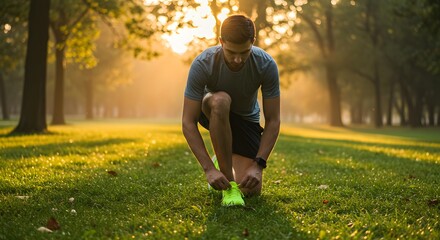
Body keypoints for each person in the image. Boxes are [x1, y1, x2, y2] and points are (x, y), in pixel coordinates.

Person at [182, 14, 280, 206]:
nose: (237, 59)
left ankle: (222, 156)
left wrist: (259, 165)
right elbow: (188, 122)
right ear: (221, 42)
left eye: (244, 52)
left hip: (246, 120)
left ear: (253, 41)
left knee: (250, 189)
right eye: (231, 52)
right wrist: (209, 169)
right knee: (221, 101)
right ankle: (228, 186)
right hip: (212, 110)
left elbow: (273, 120)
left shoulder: (266, 64)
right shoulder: (203, 63)